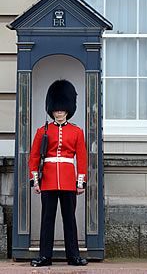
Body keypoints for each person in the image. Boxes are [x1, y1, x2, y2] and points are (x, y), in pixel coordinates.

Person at [29, 79, 88, 267]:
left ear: (68, 109)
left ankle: (73, 256)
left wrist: (80, 182)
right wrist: (35, 181)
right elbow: (34, 158)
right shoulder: (42, 131)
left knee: (69, 219)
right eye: (56, 109)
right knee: (47, 219)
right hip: (48, 180)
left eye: (62, 108)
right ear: (52, 109)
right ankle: (45, 256)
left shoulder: (77, 132)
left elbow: (82, 159)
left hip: (69, 180)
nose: (59, 111)